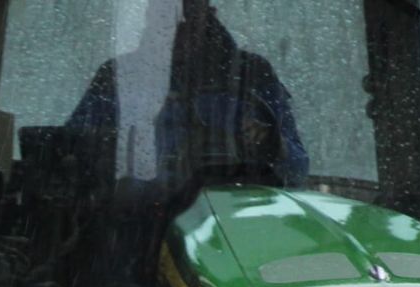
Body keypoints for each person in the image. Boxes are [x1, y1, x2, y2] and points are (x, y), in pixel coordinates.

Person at [68, 0, 307, 187]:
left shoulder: (252, 75)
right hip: (136, 222)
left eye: (187, 10)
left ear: (207, 12)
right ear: (149, 14)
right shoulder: (117, 78)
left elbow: (298, 168)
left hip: (233, 220)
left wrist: (271, 143)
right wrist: (105, 146)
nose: (177, 21)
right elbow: (68, 153)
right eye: (164, 9)